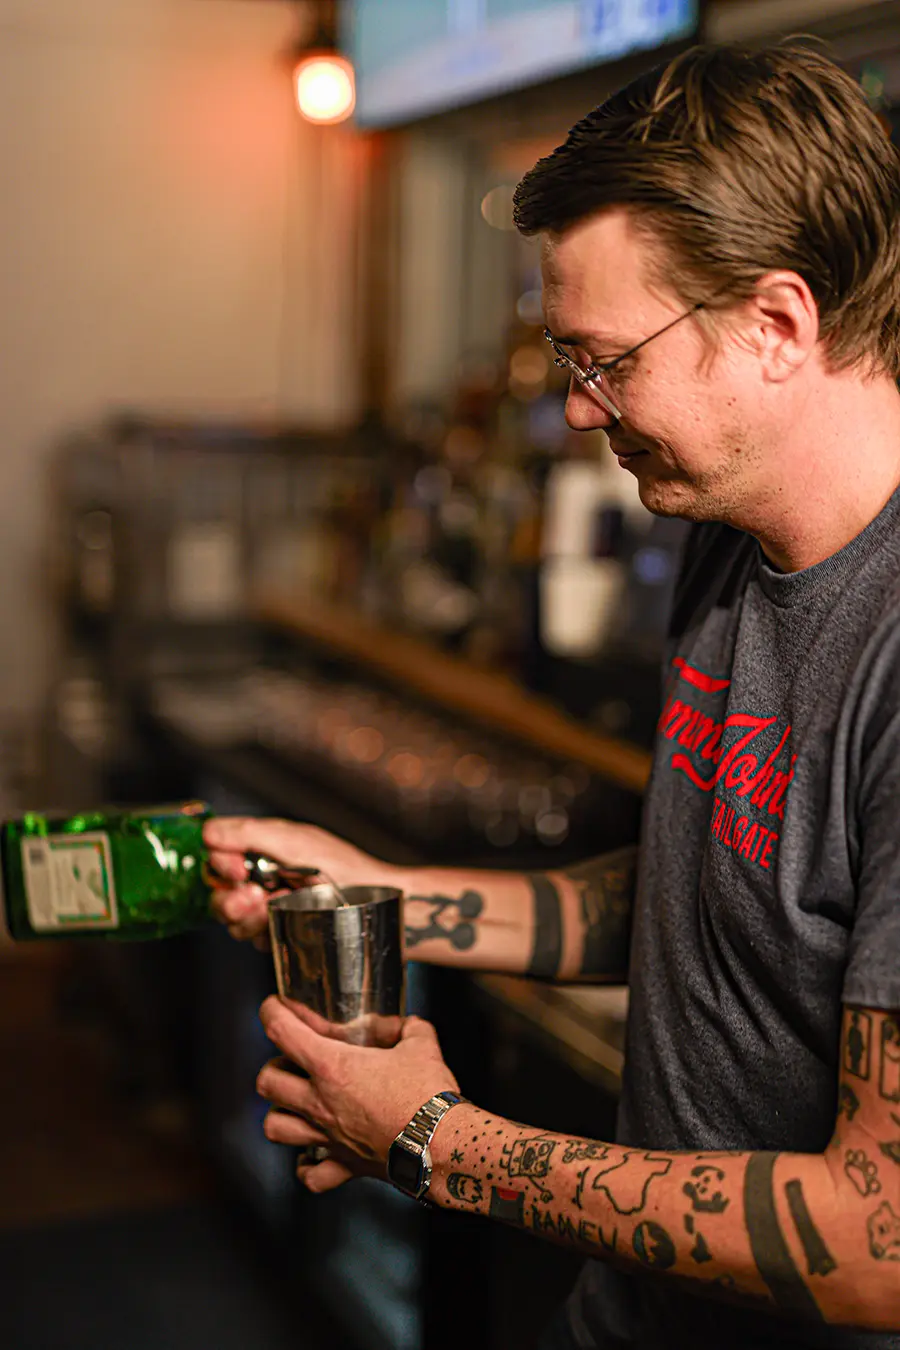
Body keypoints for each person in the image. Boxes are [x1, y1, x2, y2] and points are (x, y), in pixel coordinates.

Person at [204, 39, 900, 1348]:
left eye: (606, 361)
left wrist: (437, 1139)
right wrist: (381, 895)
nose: (582, 413)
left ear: (779, 323)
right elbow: (711, 890)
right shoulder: (722, 531)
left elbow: (881, 1242)